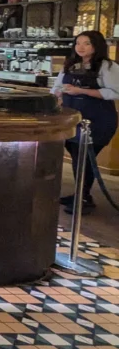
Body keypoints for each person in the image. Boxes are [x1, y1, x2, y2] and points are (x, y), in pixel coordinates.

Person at [52, 30, 119, 213]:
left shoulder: (108, 67)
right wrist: (58, 93)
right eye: (78, 43)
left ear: (96, 46)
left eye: (86, 43)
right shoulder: (71, 64)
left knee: (85, 158)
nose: (80, 47)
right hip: (72, 118)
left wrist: (81, 91)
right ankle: (82, 194)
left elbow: (115, 92)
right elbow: (56, 87)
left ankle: (83, 197)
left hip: (98, 120)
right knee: (77, 156)